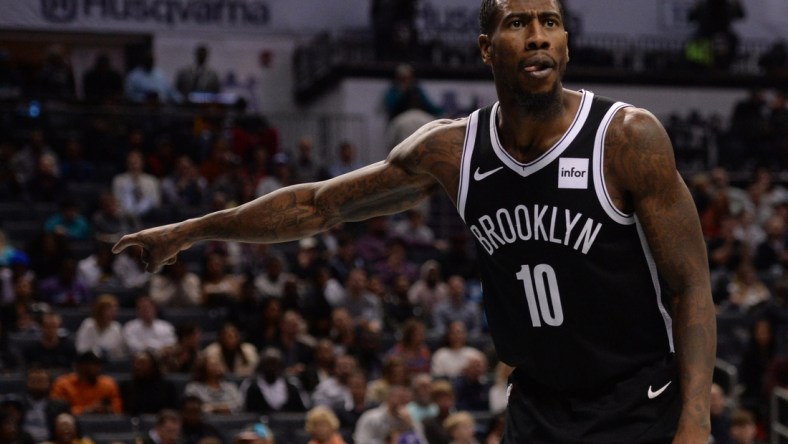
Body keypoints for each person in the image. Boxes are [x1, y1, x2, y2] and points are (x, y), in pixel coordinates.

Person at [112, 1, 715, 441]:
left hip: (639, 403)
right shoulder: (450, 152)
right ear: (485, 48)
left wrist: (694, 421)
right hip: (538, 407)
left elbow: (690, 287)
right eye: (517, 23)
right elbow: (318, 205)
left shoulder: (626, 138)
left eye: (550, 23)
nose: (537, 37)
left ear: (565, 44)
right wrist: (192, 230)